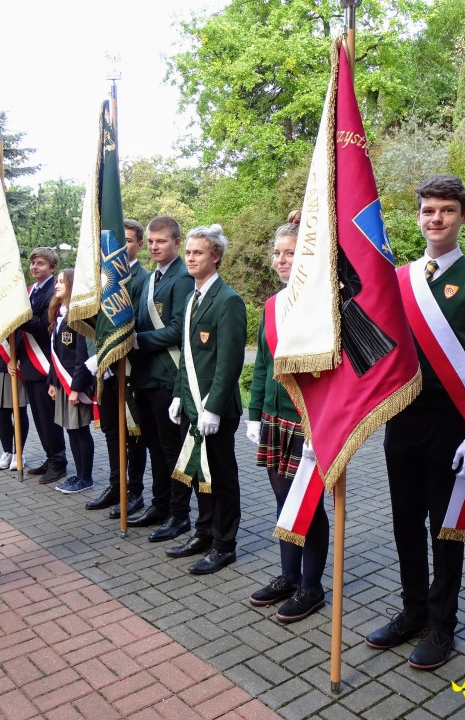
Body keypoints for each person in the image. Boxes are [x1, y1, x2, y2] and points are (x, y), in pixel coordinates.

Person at [366, 174, 465, 669]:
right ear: (418, 216)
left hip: (453, 422)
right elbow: (379, 347)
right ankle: (413, 610)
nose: (436, 219)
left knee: (446, 529)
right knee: (405, 521)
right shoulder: (399, 279)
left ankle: (442, 625)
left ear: (463, 217)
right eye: (428, 210)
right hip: (402, 418)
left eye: (447, 210)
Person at [246, 215, 330, 622]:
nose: (281, 260)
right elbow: (263, 364)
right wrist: (254, 414)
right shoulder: (272, 305)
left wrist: (326, 424)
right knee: (284, 499)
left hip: (310, 422)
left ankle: (312, 587)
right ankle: (288, 576)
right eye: (277, 253)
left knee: (308, 504)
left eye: (291, 253)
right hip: (274, 418)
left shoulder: (326, 305)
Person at [166, 224, 246, 574]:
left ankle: (224, 545)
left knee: (221, 476)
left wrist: (212, 408)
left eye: (197, 253)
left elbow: (230, 361)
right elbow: (187, 356)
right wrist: (177, 395)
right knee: (200, 473)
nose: (190, 258)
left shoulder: (228, 300)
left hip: (215, 410)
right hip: (190, 404)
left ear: (215, 256)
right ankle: (203, 533)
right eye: (188, 252)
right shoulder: (192, 298)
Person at [126, 216, 196, 541]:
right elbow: (141, 319)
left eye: (161, 241)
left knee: (172, 450)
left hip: (167, 376)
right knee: (153, 445)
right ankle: (160, 504)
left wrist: (136, 341)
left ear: (176, 242)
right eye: (151, 241)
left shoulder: (182, 278)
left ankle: (179, 515)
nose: (154, 247)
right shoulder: (153, 276)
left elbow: (178, 329)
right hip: (145, 376)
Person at [86, 219, 149, 516]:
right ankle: (116, 485)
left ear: (139, 245)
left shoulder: (143, 279)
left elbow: (141, 323)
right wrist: (99, 359)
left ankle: (134, 491)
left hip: (132, 370)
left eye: (128, 241)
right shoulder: (102, 278)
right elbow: (95, 325)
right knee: (112, 430)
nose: (121, 248)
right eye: (117, 242)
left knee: (133, 435)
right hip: (107, 370)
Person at [17, 247, 67, 486]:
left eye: (41, 263)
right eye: (33, 263)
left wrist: (21, 318)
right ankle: (50, 456)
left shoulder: (53, 291)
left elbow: (47, 329)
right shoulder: (30, 291)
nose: (35, 267)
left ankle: (58, 461)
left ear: (52, 267)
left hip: (45, 362)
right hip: (29, 362)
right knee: (38, 417)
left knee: (48, 418)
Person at [46, 268, 96, 495]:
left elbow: (81, 357)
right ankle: (79, 474)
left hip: (75, 384)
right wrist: (52, 382)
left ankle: (86, 477)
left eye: (61, 282)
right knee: (71, 430)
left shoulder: (78, 317)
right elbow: (56, 355)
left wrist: (75, 389)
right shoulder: (61, 315)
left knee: (80, 430)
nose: (56, 285)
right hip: (62, 383)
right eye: (57, 281)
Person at [0, 340, 28, 471]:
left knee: (20, 411)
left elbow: (21, 336)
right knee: (2, 413)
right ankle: (7, 452)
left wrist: (15, 357)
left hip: (16, 365)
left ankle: (19, 453)